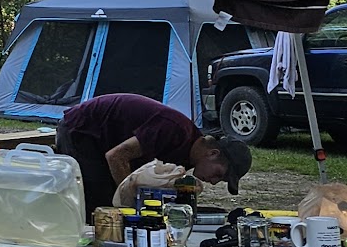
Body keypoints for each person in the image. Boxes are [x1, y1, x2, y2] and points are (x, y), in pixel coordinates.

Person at [55, 91, 251, 218]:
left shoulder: (187, 156)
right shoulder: (175, 131)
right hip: (83, 130)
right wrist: (131, 204)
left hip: (107, 142)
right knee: (106, 207)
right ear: (213, 153)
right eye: (219, 174)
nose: (215, 182)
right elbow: (116, 156)